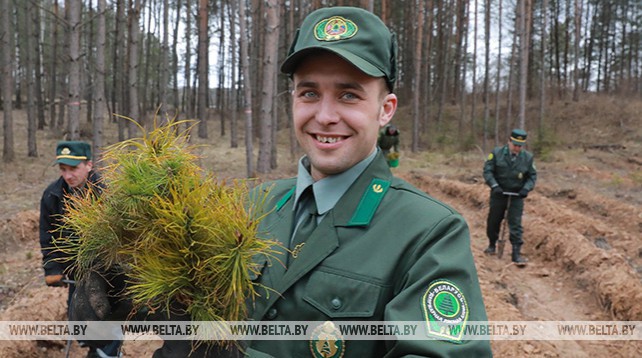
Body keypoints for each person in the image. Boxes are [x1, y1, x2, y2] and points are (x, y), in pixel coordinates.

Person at [74, 7, 491, 357]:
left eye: (349, 95)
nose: (325, 115)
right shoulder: (250, 206)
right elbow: (187, 306)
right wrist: (121, 294)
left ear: (386, 110)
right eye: (309, 93)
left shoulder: (426, 233)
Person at [39, 141, 122, 358]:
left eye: (73, 169)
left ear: (89, 165)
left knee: (105, 319)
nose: (68, 176)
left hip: (108, 271)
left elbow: (122, 236)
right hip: (75, 271)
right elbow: (47, 237)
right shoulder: (53, 195)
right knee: (79, 321)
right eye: (63, 170)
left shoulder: (106, 194)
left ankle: (107, 352)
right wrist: (52, 268)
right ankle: (96, 348)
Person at [483, 129, 537, 265]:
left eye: (520, 145)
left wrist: (526, 188)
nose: (517, 148)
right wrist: (494, 185)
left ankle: (516, 252)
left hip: (516, 195)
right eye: (515, 145)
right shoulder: (497, 153)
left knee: (515, 223)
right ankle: (491, 244)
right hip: (499, 193)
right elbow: (488, 171)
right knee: (494, 220)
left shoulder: (528, 158)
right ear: (509, 142)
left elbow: (532, 176)